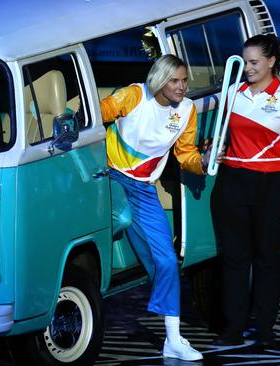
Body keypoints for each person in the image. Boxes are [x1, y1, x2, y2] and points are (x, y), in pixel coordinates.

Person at [100, 54, 209, 361]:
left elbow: (185, 153)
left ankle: (173, 339)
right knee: (121, 217)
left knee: (167, 262)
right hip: (110, 176)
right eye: (175, 80)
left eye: (185, 80)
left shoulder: (187, 110)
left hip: (144, 189)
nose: (182, 86)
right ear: (159, 80)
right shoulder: (135, 94)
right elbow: (97, 114)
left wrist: (202, 161)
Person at [211, 34, 280, 347]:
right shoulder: (232, 94)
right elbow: (221, 137)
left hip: (272, 185)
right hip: (233, 182)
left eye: (254, 62)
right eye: (245, 61)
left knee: (267, 259)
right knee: (234, 259)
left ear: (271, 62)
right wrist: (215, 149)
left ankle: (265, 327)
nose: (248, 68)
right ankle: (233, 326)